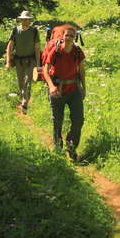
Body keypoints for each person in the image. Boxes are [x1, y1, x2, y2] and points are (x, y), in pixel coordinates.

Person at [42, 24, 86, 162]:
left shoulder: (77, 51)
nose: (68, 38)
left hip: (74, 89)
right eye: (67, 35)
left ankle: (71, 147)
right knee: (57, 120)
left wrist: (84, 88)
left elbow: (82, 71)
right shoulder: (56, 51)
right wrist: (51, 86)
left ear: (75, 38)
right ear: (63, 36)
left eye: (72, 36)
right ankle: (57, 147)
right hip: (57, 89)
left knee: (78, 120)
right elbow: (45, 70)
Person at [5, 10, 41, 114]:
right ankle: (23, 97)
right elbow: (10, 46)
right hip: (18, 60)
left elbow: (37, 48)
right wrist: (8, 61)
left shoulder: (34, 31)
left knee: (27, 81)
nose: (26, 21)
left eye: (27, 20)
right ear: (20, 20)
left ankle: (25, 101)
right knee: (21, 81)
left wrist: (38, 64)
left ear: (30, 20)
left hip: (31, 60)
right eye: (24, 20)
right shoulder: (15, 30)